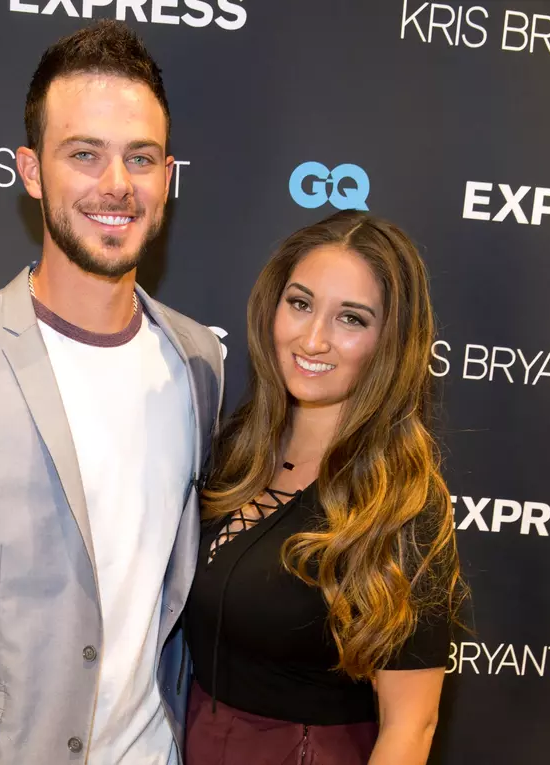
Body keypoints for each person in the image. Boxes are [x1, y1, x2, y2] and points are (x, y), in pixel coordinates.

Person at [0, 21, 224, 765]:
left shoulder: (199, 361)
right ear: (31, 170)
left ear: (167, 175)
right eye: (84, 154)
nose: (116, 184)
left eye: (140, 158)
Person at [183, 211, 466, 765]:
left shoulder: (401, 502)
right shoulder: (237, 447)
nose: (313, 338)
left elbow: (412, 725)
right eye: (301, 303)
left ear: (391, 341)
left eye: (351, 319)